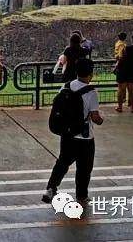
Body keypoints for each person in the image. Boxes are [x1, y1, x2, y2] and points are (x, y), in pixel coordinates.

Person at [42, 58, 104, 205]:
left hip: (67, 133)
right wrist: (102, 118)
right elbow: (96, 118)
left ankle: (50, 189)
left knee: (62, 162)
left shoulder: (66, 86)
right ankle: (81, 196)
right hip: (85, 137)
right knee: (84, 168)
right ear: (91, 74)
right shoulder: (91, 92)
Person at [115, 34, 133, 113]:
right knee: (132, 89)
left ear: (132, 40)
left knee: (120, 89)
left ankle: (120, 107)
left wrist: (116, 66)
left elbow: (120, 58)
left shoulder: (127, 48)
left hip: (123, 70)